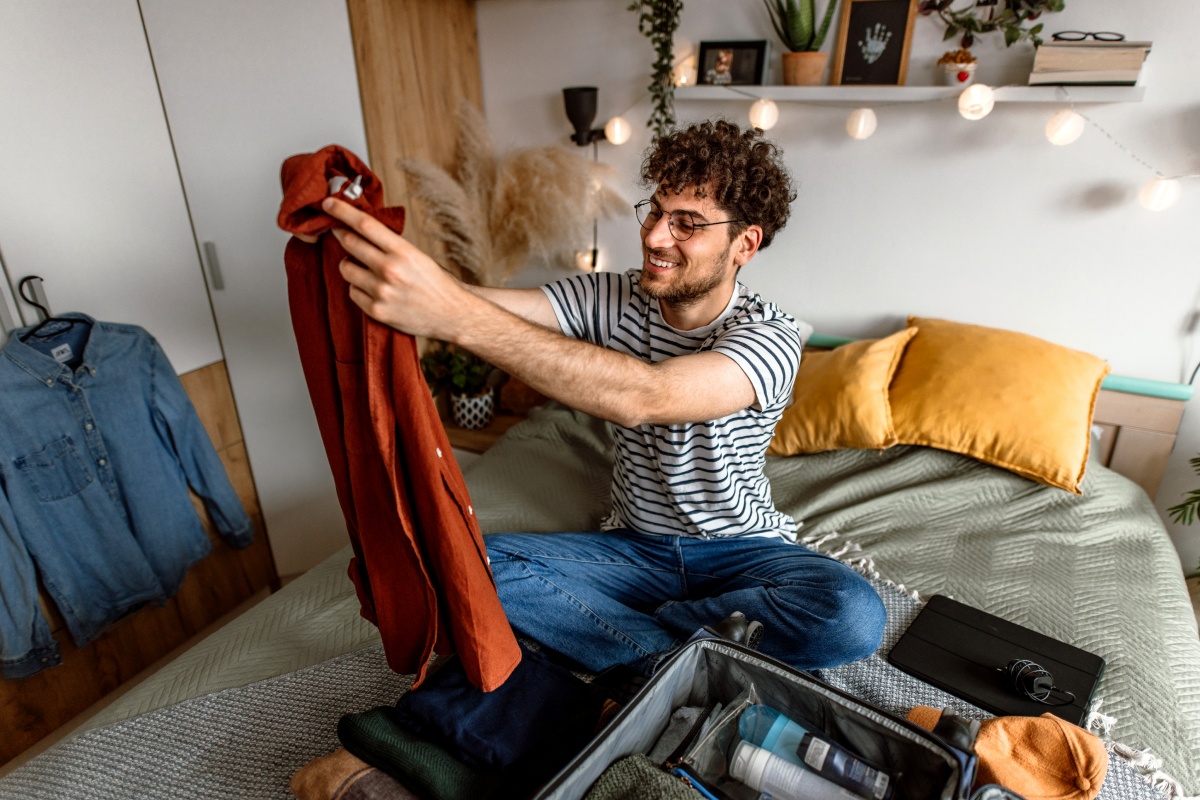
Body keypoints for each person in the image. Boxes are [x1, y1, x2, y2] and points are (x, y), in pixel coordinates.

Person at [323, 119, 886, 677]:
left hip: (740, 553)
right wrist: (393, 271)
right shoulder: (612, 295)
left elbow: (648, 396)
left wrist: (452, 314)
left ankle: (646, 646)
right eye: (656, 210)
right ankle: (692, 657)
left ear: (744, 243)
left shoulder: (772, 336)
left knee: (852, 615)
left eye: (686, 224)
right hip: (632, 550)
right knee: (461, 565)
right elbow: (481, 305)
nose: (655, 236)